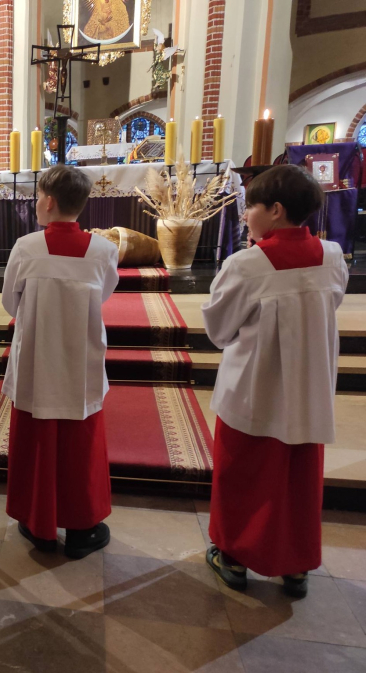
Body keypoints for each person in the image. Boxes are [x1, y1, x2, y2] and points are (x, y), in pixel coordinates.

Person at [202, 165, 348, 598]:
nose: (245, 215)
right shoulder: (333, 256)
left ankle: (233, 557)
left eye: (250, 207)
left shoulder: (246, 265)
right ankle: (295, 565)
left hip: (255, 388)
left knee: (242, 473)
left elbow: (218, 331)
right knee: (299, 479)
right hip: (309, 389)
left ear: (276, 210)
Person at [2, 165, 118, 558]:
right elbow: (104, 294)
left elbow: (10, 302)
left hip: (37, 360)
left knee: (36, 439)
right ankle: (83, 528)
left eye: (37, 196)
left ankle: (40, 525)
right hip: (80, 361)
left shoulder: (26, 247)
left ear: (49, 202)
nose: (37, 202)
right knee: (80, 444)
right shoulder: (104, 250)